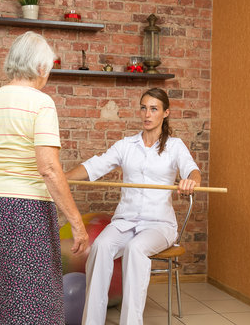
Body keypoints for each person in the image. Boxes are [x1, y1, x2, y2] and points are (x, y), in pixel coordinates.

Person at [0, 31, 89, 325]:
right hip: (24, 210)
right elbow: (49, 168)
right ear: (41, 68)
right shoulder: (41, 103)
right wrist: (77, 223)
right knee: (33, 295)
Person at [65, 88, 201, 325]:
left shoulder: (175, 146)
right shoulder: (126, 145)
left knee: (136, 249)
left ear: (166, 113)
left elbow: (192, 170)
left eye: (154, 109)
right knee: (101, 246)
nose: (147, 114)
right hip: (125, 221)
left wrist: (192, 181)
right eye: (143, 107)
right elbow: (95, 165)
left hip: (158, 225)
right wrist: (62, 178)